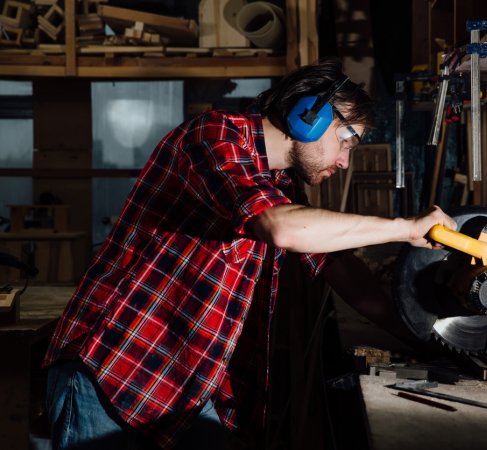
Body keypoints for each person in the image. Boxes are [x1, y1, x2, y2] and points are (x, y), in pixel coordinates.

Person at [43, 58, 457, 450]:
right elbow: (280, 228)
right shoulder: (213, 136)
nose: (346, 161)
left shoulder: (279, 185)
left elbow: (339, 267)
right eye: (347, 139)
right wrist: (406, 229)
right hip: (113, 363)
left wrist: (418, 334)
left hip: (185, 379)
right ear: (307, 116)